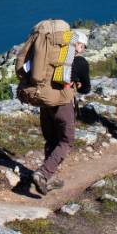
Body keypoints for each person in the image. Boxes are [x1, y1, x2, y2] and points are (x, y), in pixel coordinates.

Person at [33, 30, 91, 195]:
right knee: (66, 140)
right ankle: (43, 173)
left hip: (45, 102)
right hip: (63, 104)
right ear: (78, 45)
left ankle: (49, 177)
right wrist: (78, 84)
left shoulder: (51, 57)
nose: (83, 49)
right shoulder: (80, 62)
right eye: (83, 46)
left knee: (51, 139)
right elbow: (86, 88)